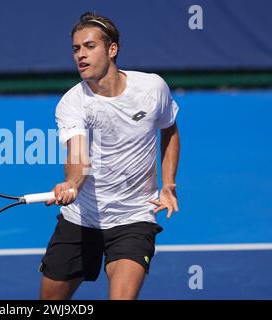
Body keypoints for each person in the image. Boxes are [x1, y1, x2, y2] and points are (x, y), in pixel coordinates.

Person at [39, 12, 180, 300]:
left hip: (134, 217)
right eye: (76, 49)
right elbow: (78, 156)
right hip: (82, 218)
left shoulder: (152, 88)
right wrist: (72, 184)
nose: (81, 55)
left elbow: (169, 130)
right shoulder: (72, 103)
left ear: (112, 49)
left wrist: (167, 184)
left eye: (89, 46)